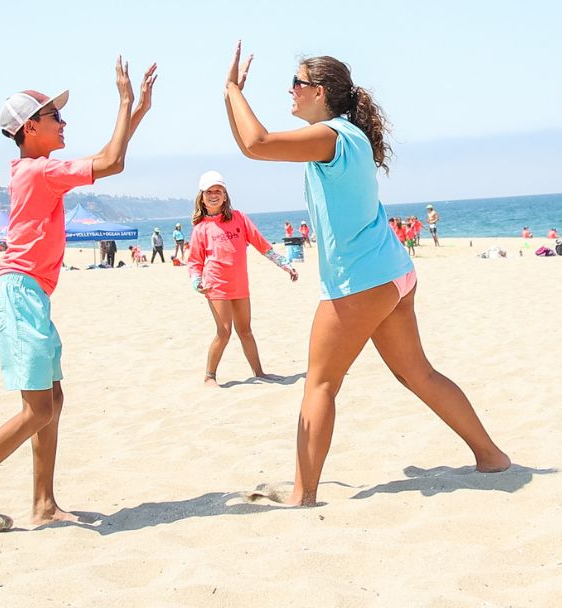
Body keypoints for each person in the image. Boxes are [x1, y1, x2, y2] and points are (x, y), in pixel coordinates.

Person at [222, 41, 509, 506]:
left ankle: (302, 494)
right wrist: (229, 97)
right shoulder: (344, 136)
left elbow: (257, 144)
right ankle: (491, 456)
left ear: (321, 92)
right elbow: (250, 145)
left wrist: (234, 88)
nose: (290, 92)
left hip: (363, 281)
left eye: (297, 83)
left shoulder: (331, 136)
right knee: (419, 374)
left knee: (320, 383)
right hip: (393, 273)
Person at [0, 56, 158, 536]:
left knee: (52, 401)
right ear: (30, 127)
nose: (63, 122)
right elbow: (112, 161)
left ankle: (44, 504)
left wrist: (134, 114)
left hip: (31, 294)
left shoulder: (37, 169)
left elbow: (109, 155)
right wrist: (124, 104)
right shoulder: (39, 170)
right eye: (55, 116)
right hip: (19, 292)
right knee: (38, 409)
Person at [187, 169, 298, 386]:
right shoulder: (201, 228)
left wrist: (283, 263)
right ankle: (210, 376)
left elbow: (261, 244)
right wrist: (195, 280)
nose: (213, 195)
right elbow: (194, 261)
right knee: (224, 332)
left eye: (218, 190)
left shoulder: (239, 218)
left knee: (245, 330)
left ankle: (259, 372)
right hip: (216, 284)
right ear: (202, 197)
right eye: (209, 191)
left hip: (239, 284)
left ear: (225, 194)